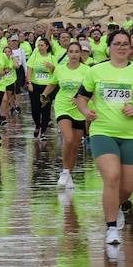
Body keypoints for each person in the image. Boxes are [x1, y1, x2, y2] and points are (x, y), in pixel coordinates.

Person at [75, 27, 133, 245]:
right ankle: (111, 228)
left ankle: (114, 207)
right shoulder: (96, 71)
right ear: (108, 47)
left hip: (130, 134)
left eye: (125, 44)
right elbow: (81, 97)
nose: (121, 47)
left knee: (127, 187)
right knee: (112, 176)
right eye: (117, 44)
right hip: (103, 132)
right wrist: (85, 111)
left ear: (130, 47)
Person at [46, 41, 90, 189]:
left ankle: (69, 174)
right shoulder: (60, 69)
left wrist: (80, 98)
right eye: (71, 52)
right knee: (69, 139)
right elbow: (53, 83)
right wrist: (44, 95)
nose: (74, 55)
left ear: (81, 54)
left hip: (79, 109)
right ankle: (65, 172)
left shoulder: (87, 70)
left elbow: (90, 88)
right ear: (68, 53)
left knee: (75, 145)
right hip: (62, 106)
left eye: (77, 52)